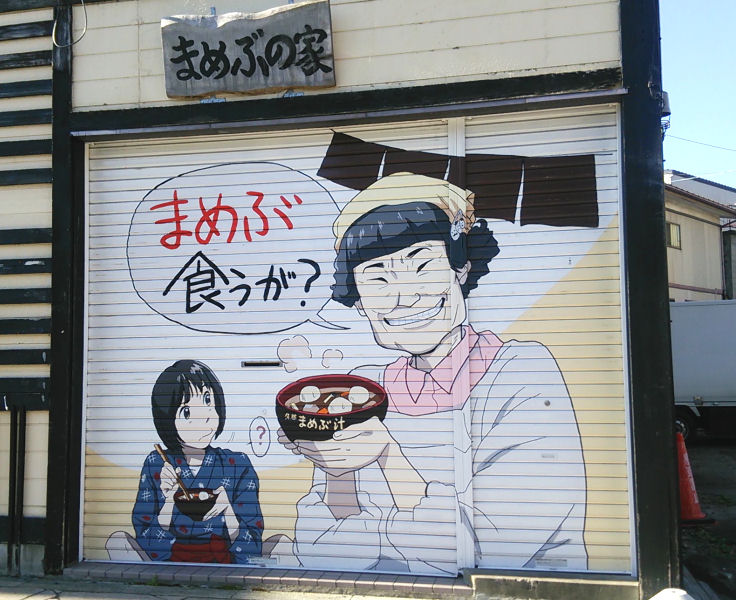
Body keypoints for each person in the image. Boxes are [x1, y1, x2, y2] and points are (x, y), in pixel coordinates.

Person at [282, 172, 588, 574]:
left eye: (423, 265)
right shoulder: (363, 387)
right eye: (378, 277)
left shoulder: (521, 371)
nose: (405, 295)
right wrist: (337, 470)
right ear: (358, 300)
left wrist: (387, 456)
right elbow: (327, 552)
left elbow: (487, 548)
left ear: (461, 269)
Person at [112, 360, 263, 564]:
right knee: (117, 540)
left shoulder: (237, 464)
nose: (205, 418)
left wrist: (228, 510)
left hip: (225, 558)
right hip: (170, 559)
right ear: (167, 418)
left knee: (282, 542)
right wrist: (168, 502)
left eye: (208, 400)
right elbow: (145, 537)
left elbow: (253, 546)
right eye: (187, 412)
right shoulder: (157, 464)